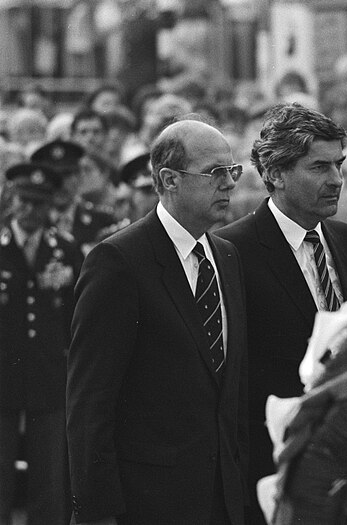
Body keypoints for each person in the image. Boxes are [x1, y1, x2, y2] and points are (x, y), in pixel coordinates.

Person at [66, 119, 249, 525]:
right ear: (169, 180)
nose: (230, 184)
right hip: (147, 503)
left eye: (233, 171)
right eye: (215, 173)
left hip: (223, 501)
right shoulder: (118, 262)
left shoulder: (228, 257)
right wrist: (97, 512)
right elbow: (90, 403)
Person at [215, 103, 347, 525]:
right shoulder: (232, 251)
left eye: (339, 164)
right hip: (270, 467)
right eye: (319, 167)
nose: (337, 180)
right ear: (276, 174)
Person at [0, 163, 82, 525]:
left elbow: (76, 316)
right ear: (11, 199)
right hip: (2, 373)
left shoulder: (64, 249)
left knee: (49, 473)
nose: (29, 210)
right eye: (24, 200)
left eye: (39, 203)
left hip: (49, 375)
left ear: (51, 205)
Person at [30, 139, 119, 256]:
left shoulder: (103, 221)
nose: (61, 184)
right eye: (54, 177)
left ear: (79, 176)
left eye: (66, 175)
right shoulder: (32, 224)